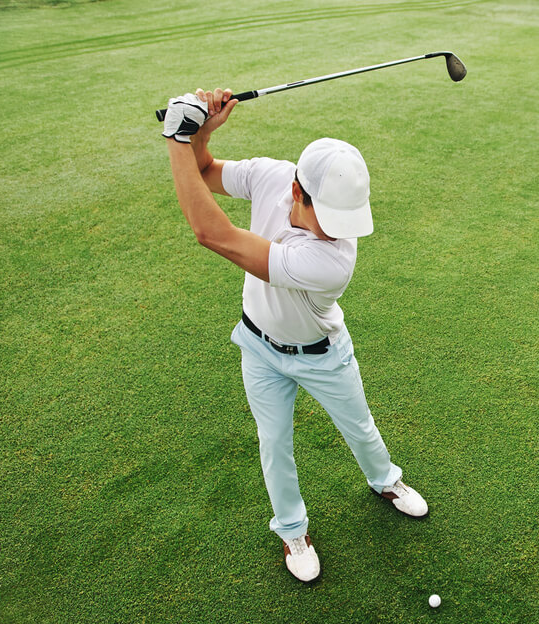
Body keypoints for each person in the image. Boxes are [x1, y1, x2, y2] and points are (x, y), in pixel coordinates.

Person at [162, 88, 428, 583]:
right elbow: (204, 172)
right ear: (297, 191)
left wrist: (180, 137)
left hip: (323, 356)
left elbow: (211, 234)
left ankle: (385, 481)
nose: (339, 231)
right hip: (259, 348)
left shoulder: (332, 260)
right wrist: (200, 136)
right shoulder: (271, 175)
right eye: (332, 218)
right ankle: (292, 530)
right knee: (274, 443)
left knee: (361, 428)